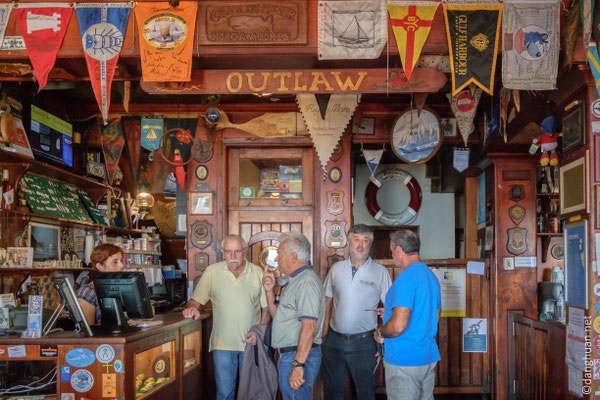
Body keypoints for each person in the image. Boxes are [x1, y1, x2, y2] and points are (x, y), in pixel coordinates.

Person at [183, 235, 269, 400]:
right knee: (224, 394)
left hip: (250, 345)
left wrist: (259, 333)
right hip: (222, 345)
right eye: (229, 252)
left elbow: (266, 309)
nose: (233, 256)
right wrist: (190, 310)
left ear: (244, 251)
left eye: (237, 251)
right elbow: (194, 302)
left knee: (252, 394)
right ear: (223, 253)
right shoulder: (212, 272)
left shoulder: (257, 272)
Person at [321, 224, 392, 400]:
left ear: (370, 244)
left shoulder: (380, 272)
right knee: (332, 393)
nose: (360, 245)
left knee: (365, 394)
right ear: (348, 242)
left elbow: (391, 307)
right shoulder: (336, 269)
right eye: (356, 239)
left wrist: (382, 340)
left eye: (365, 240)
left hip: (365, 344)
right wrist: (323, 337)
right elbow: (327, 301)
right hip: (334, 342)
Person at [374, 230, 441, 400]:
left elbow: (397, 326)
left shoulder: (406, 278)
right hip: (426, 355)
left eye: (391, 251)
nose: (392, 255)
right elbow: (433, 317)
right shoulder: (431, 276)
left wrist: (381, 332)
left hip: (404, 359)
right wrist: (390, 314)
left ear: (398, 250)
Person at [262, 232, 325, 400]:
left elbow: (309, 326)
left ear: (293, 257)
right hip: (291, 355)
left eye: (279, 254)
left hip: (297, 356)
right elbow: (279, 317)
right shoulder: (295, 280)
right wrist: (269, 292)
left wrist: (298, 365)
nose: (276, 260)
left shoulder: (306, 283)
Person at [77, 243, 126, 326]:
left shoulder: (122, 286)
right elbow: (88, 331)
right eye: (115, 262)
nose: (121, 265)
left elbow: (149, 314)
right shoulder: (88, 292)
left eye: (121, 260)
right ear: (100, 266)